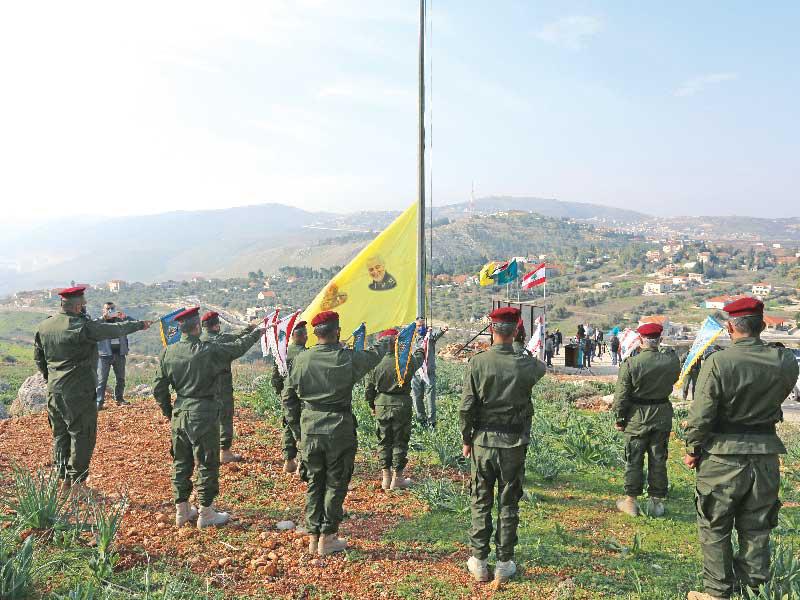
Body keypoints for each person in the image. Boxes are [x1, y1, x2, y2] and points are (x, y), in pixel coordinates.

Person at [684, 298, 799, 600]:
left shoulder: (718, 362)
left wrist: (693, 448)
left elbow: (702, 415)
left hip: (722, 456)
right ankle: (753, 591)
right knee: (757, 527)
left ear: (730, 327)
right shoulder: (784, 360)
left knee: (715, 525)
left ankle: (717, 592)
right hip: (765, 454)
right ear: (762, 325)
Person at [282, 311, 390, 556]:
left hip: (310, 428)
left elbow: (288, 398)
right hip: (339, 428)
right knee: (335, 483)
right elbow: (373, 355)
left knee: (314, 482)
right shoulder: (347, 359)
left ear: (315, 333)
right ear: (337, 332)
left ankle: (313, 536)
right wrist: (388, 340)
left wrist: (298, 431)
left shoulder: (301, 359)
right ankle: (328, 537)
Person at [153, 307, 263, 529]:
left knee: (181, 462)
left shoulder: (168, 352)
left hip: (180, 412)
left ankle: (182, 511)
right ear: (197, 327)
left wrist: (169, 412)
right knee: (206, 462)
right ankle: (206, 513)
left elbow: (158, 388)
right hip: (203, 412)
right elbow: (237, 348)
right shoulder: (209, 350)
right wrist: (256, 333)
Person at [34, 286, 152, 492]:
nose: (85, 307)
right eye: (83, 305)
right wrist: (140, 324)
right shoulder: (82, 327)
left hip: (54, 391)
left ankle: (63, 481)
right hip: (78, 392)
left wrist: (51, 378)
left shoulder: (44, 326)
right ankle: (78, 484)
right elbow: (113, 330)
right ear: (77, 306)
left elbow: (39, 359)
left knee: (60, 435)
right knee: (82, 435)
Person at [460, 306, 546, 583]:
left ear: (491, 329)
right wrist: (519, 344)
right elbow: (541, 367)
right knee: (509, 503)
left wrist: (466, 439)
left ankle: (479, 561)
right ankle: (504, 562)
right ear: (517, 330)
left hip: (483, 442)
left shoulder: (478, 362)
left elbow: (466, 407)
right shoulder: (527, 364)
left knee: (480, 500)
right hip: (513, 443)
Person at [612, 323, 680, 518]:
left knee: (633, 458)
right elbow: (674, 379)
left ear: (640, 340)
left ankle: (631, 501)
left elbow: (621, 396)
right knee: (658, 458)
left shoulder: (631, 363)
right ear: (660, 340)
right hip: (661, 415)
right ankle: (656, 503)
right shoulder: (671, 361)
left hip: (636, 417)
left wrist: (620, 418)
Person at [365, 328, 425, 490]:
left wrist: (372, 405)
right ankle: (397, 478)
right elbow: (419, 358)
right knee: (400, 441)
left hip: (381, 404)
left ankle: (386, 477)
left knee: (384, 440)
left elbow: (369, 389)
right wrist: (421, 346)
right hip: (402, 405)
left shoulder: (375, 363)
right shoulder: (406, 361)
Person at [200, 311, 262, 464]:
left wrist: (249, 329)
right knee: (225, 416)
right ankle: (225, 452)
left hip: (202, 386)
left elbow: (234, 337)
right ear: (216, 325)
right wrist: (255, 333)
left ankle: (205, 451)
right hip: (221, 385)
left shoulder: (199, 341)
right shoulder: (220, 341)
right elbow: (238, 344)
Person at [270, 319, 309, 474]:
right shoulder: (306, 354)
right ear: (303, 336)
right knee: (302, 428)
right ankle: (302, 463)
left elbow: (275, 377)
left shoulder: (283, 352)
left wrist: (281, 392)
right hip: (301, 396)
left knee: (288, 425)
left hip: (286, 395)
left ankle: (288, 461)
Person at [95, 301, 135, 409]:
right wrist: (103, 318)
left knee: (120, 378)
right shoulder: (100, 322)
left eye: (112, 308)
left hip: (119, 353)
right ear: (103, 310)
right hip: (104, 355)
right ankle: (99, 402)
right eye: (107, 309)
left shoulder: (121, 321)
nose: (110, 311)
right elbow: (91, 326)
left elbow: (134, 323)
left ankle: (119, 399)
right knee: (102, 380)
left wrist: (125, 316)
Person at [410, 318, 448, 428]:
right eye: (418, 326)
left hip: (429, 372)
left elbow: (438, 333)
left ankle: (432, 421)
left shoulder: (429, 337)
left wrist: (442, 329)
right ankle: (421, 419)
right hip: (416, 373)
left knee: (430, 398)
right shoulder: (412, 339)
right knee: (416, 397)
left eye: (422, 325)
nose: (420, 328)